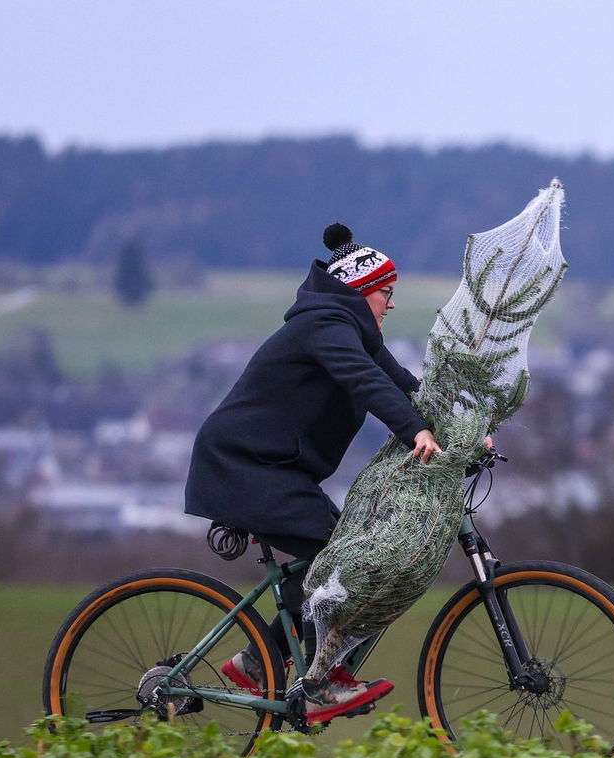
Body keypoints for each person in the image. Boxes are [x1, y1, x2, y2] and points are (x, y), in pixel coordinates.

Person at [185, 223, 443, 721]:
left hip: (274, 470)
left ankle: (256, 665)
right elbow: (366, 382)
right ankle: (319, 684)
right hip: (244, 466)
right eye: (387, 293)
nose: (391, 304)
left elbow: (404, 383)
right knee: (341, 560)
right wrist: (415, 432)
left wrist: (458, 427)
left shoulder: (348, 329)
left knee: (336, 557)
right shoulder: (326, 327)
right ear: (363, 291)